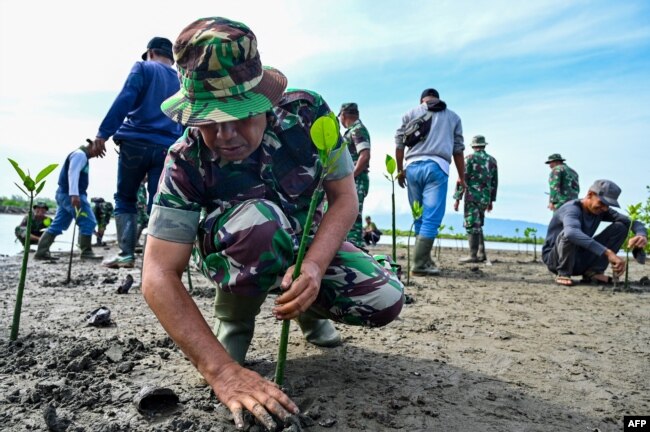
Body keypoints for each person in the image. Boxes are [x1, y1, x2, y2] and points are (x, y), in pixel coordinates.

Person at [141, 17, 404, 430]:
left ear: (263, 100)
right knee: (260, 222)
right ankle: (235, 316)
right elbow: (157, 273)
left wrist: (314, 267)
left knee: (384, 299)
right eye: (209, 121)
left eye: (239, 116)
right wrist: (221, 372)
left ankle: (306, 308)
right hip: (237, 247)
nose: (225, 135)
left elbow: (344, 198)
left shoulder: (307, 116)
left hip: (306, 245)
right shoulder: (184, 159)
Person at [93, 36, 184, 269]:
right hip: (167, 148)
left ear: (150, 53)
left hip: (134, 143)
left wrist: (103, 133)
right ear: (172, 59)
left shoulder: (143, 67)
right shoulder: (182, 79)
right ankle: (156, 260)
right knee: (158, 201)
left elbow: (125, 98)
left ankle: (126, 254)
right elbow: (186, 117)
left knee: (125, 198)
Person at [395, 88, 465, 276]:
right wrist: (462, 177)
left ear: (422, 101)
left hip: (411, 168)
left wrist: (400, 170)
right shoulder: (453, 117)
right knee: (431, 217)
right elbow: (458, 150)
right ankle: (419, 264)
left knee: (419, 216)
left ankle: (424, 259)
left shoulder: (410, 113)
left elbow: (399, 144)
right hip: (437, 166)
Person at [542, 179, 647, 286]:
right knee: (572, 233)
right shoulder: (571, 209)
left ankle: (593, 272)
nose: (605, 208)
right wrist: (607, 252)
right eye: (602, 203)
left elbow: (633, 222)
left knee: (622, 227)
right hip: (556, 260)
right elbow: (571, 233)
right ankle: (563, 273)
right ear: (590, 194)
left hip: (579, 260)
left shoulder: (602, 210)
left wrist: (641, 235)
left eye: (608, 205)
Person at [34, 142, 104, 261]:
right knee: (88, 221)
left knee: (58, 224)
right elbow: (73, 173)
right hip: (70, 194)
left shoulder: (83, 156)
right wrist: (74, 194)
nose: (97, 155)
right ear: (93, 145)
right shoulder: (80, 155)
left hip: (64, 193)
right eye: (98, 151)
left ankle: (41, 252)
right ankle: (86, 252)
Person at [453, 135, 498, 263]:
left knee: (472, 224)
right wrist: (491, 201)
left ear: (473, 146)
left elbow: (462, 179)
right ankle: (481, 253)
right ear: (484, 145)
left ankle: (473, 255)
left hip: (472, 197)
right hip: (485, 198)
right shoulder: (492, 161)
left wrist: (457, 198)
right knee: (478, 224)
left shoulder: (469, 159)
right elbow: (495, 182)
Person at [339, 103, 371, 248]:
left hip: (356, 179)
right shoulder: (353, 130)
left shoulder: (357, 130)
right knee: (346, 214)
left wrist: (350, 177)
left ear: (343, 115)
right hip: (354, 178)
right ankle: (351, 246)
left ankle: (356, 247)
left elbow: (364, 156)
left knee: (352, 215)